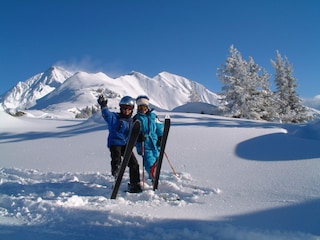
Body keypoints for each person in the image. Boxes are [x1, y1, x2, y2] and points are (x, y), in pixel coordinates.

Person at [97, 95, 142, 193]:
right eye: (124, 108)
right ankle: (116, 171)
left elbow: (133, 134)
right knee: (116, 158)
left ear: (132, 109)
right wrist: (104, 107)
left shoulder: (132, 121)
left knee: (134, 164)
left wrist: (139, 137)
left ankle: (135, 184)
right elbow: (107, 115)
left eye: (129, 108)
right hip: (115, 143)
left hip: (126, 145)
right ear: (121, 108)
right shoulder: (115, 117)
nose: (126, 110)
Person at [134, 95, 164, 180]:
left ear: (147, 107)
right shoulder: (137, 118)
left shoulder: (153, 116)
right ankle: (152, 175)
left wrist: (161, 137)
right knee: (149, 161)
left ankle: (155, 174)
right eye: (140, 107)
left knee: (157, 160)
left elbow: (159, 127)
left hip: (155, 144)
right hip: (144, 145)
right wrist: (138, 137)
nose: (142, 109)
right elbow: (132, 133)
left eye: (144, 107)